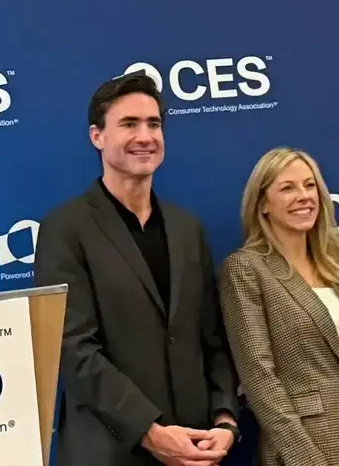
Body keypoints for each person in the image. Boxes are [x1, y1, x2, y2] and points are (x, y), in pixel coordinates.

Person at [34, 72, 241, 466]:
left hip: (197, 451)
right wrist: (150, 431)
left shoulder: (187, 229)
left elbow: (212, 340)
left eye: (154, 124)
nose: (145, 136)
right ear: (97, 136)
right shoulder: (66, 228)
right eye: (129, 124)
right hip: (110, 451)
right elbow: (75, 350)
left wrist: (226, 419)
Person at [218, 147, 339, 466]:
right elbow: (259, 376)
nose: (303, 196)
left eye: (310, 185)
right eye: (288, 188)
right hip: (304, 448)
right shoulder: (246, 269)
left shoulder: (334, 264)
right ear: (263, 204)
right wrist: (303, 456)